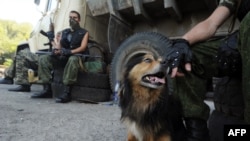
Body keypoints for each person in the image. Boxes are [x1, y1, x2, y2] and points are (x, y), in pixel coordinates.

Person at [166, 0, 249, 140]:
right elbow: (211, 23)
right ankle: (197, 135)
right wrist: (182, 42)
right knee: (189, 56)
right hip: (244, 41)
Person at [31, 10, 89, 103]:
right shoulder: (65, 32)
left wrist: (69, 51)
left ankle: (67, 93)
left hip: (75, 57)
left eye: (75, 18)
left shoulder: (84, 32)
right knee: (44, 58)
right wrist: (54, 46)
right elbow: (58, 46)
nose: (72, 19)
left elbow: (82, 48)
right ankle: (47, 90)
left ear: (79, 20)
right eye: (70, 17)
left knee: (73, 59)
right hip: (63, 57)